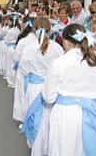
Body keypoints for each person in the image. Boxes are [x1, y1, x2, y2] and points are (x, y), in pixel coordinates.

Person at [42, 24, 96, 156]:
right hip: (93, 116)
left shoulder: (59, 63)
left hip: (64, 115)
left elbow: (49, 97)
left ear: (65, 41)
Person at [20, 17, 64, 156]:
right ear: (50, 30)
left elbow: (23, 68)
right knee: (48, 121)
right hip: (52, 88)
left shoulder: (29, 47)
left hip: (34, 87)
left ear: (34, 29)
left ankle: (35, 147)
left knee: (35, 119)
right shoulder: (57, 48)